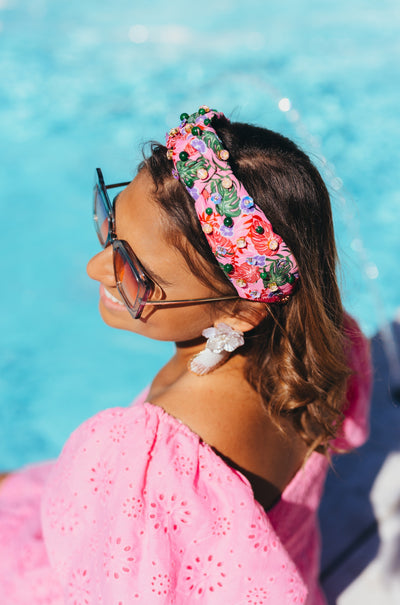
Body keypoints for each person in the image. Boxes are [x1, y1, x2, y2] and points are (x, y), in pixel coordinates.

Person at [0, 106, 371, 604]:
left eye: (134, 271)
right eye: (111, 225)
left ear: (240, 313)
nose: (95, 268)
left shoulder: (147, 461)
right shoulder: (320, 347)